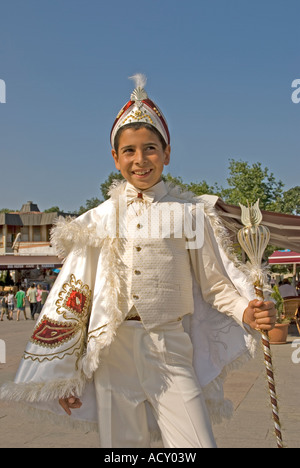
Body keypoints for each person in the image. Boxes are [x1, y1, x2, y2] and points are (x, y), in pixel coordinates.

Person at [0, 75, 276, 448]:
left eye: (150, 148)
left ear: (167, 153)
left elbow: (215, 286)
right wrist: (64, 373)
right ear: (115, 158)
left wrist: (247, 311)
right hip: (114, 353)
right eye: (129, 151)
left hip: (171, 345)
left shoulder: (190, 214)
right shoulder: (98, 220)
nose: (140, 159)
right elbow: (73, 298)